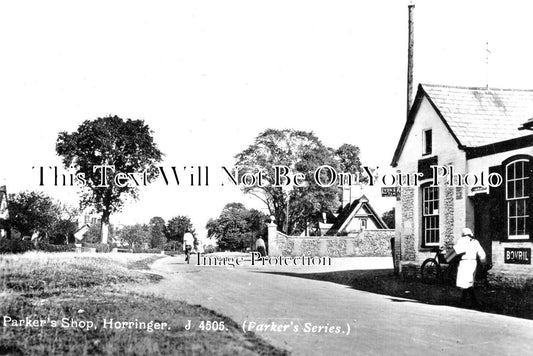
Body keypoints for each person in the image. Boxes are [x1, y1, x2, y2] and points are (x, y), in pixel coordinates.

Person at [453, 227, 486, 307]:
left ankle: (472, 301)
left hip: (464, 262)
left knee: (465, 282)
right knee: (469, 281)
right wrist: (483, 262)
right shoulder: (475, 242)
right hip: (473, 262)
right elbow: (482, 254)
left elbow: (456, 251)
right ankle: (464, 301)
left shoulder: (461, 240)